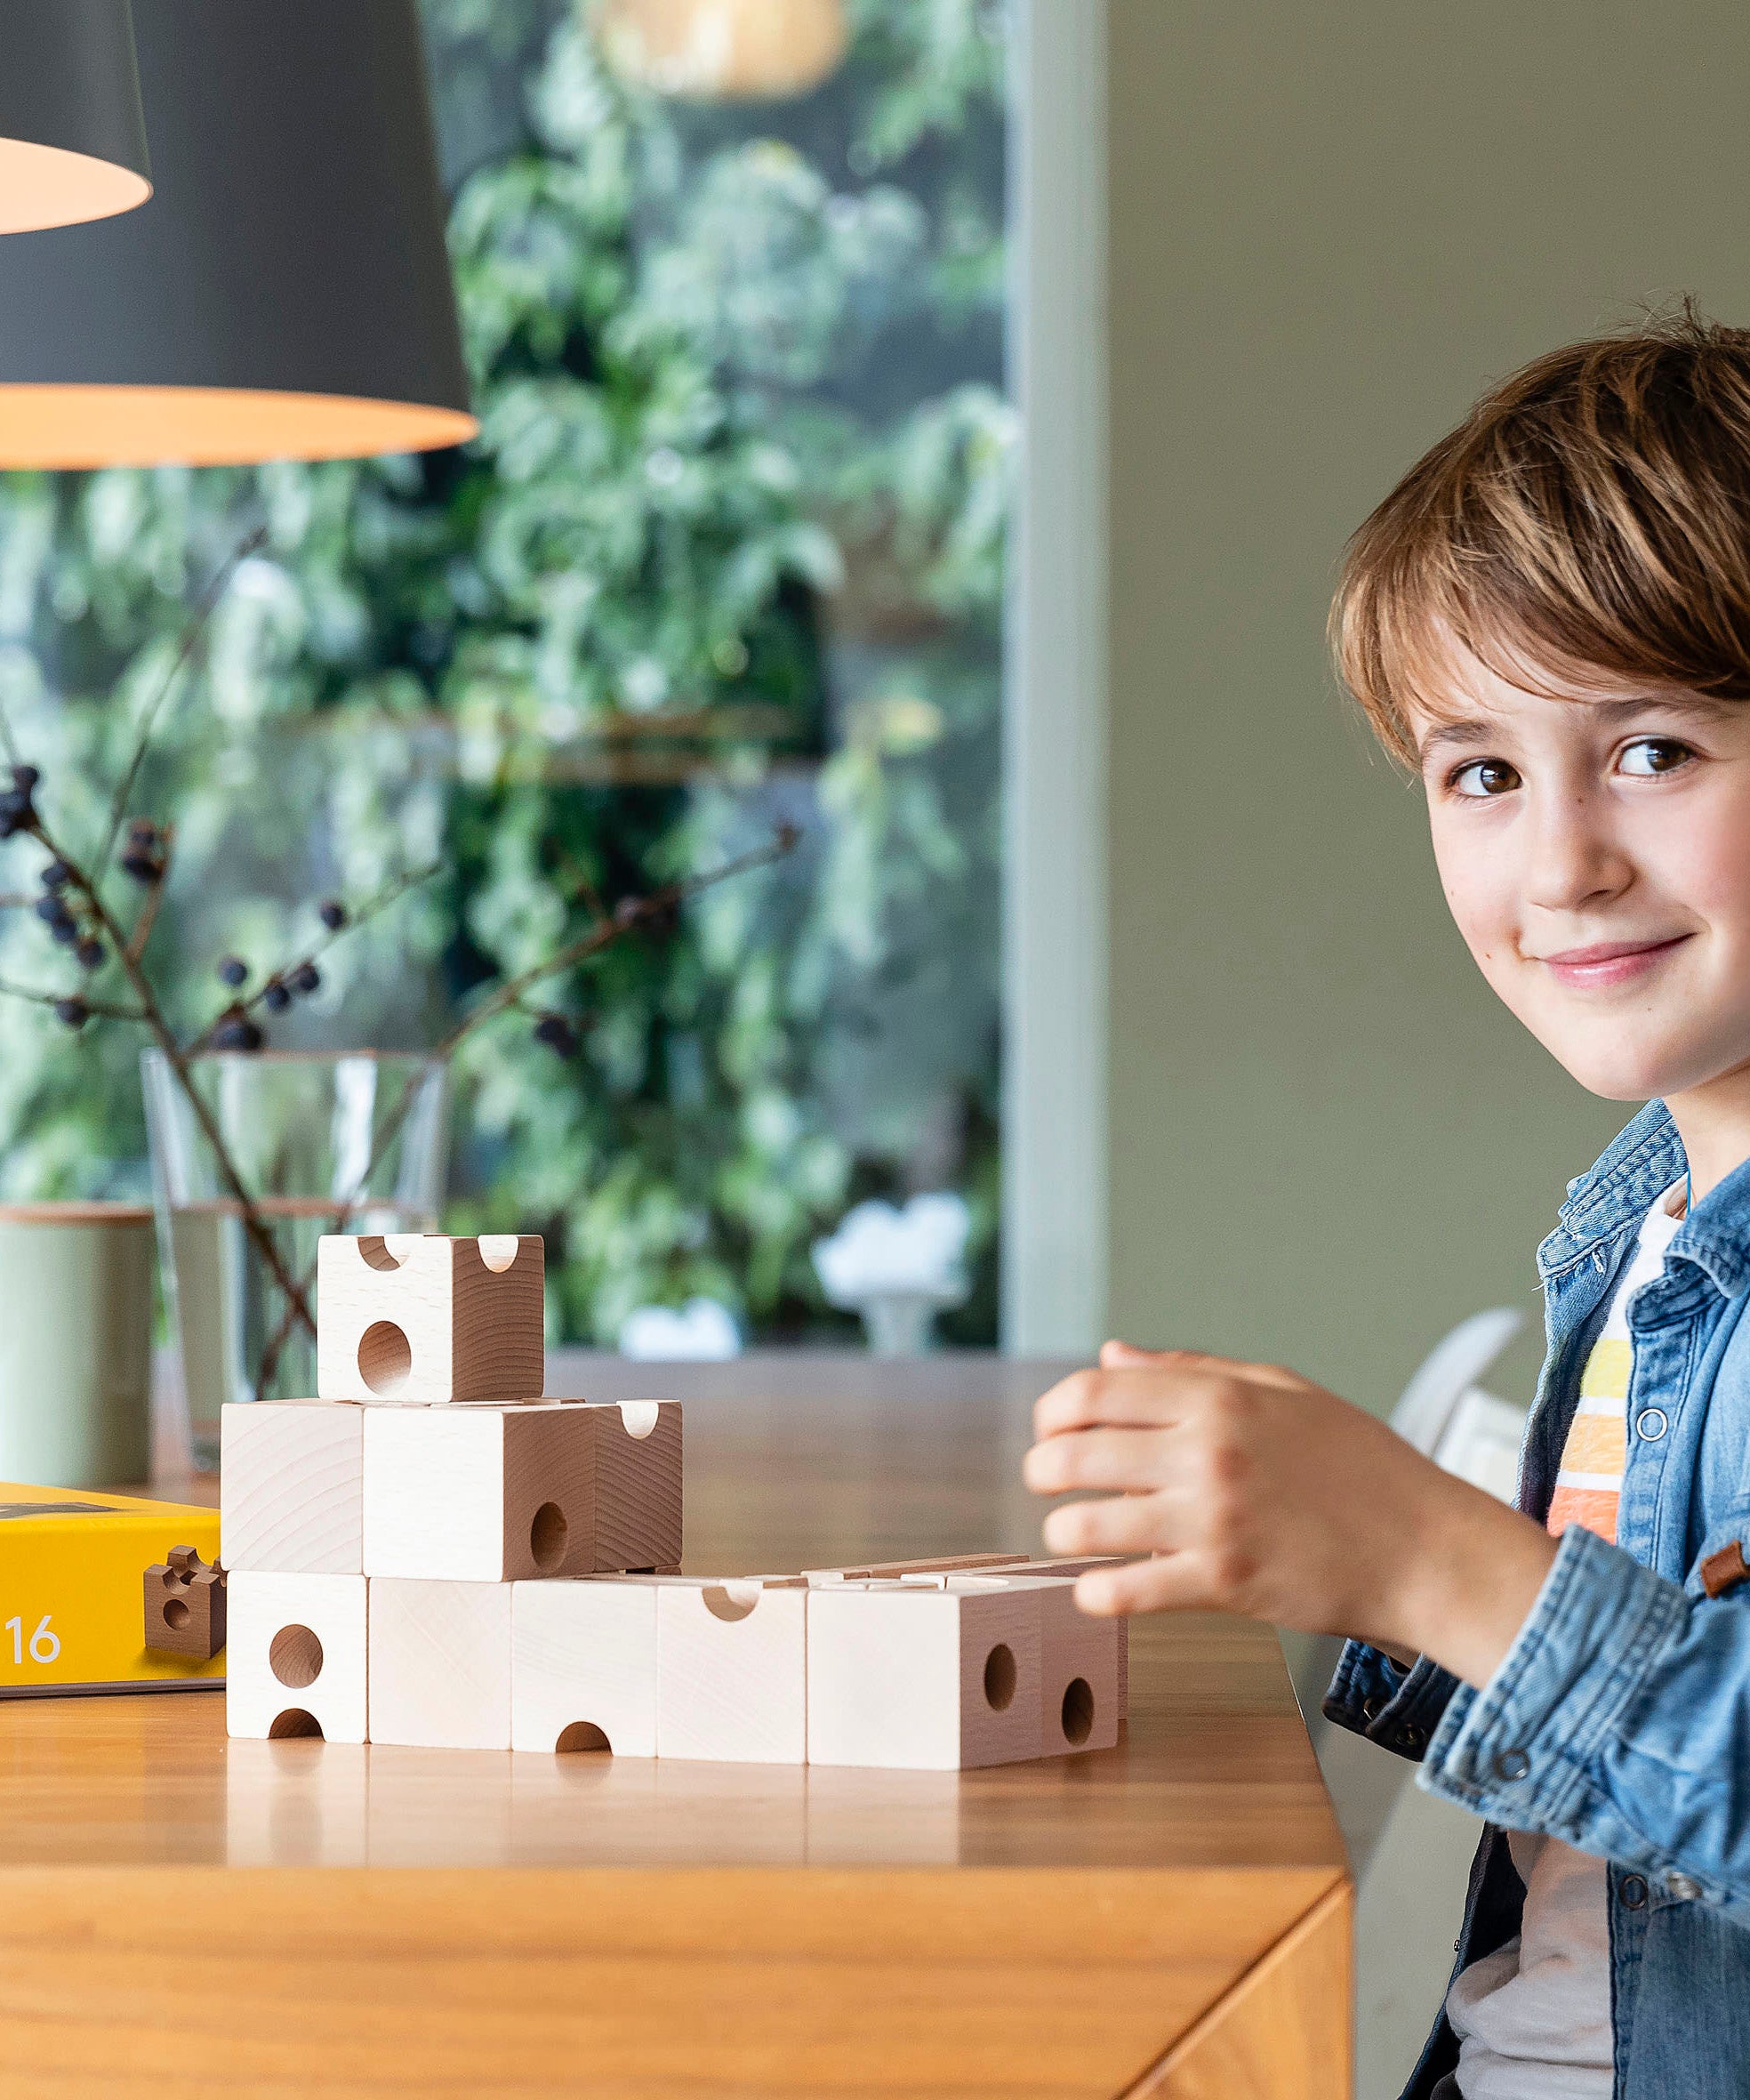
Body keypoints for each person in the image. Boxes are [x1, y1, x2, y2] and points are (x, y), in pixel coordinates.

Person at [1024, 304, 1750, 2099]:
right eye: (1482, 772)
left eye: (1653, 749)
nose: (1562, 861)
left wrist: (1424, 1550)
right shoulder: (1648, 1212)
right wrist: (1304, 1555)